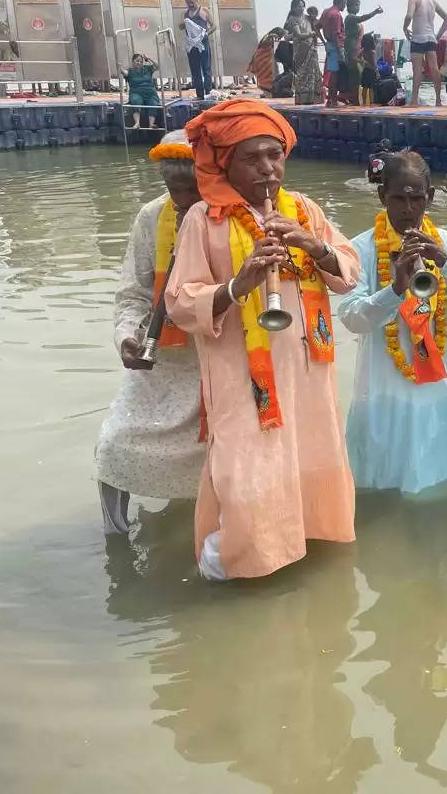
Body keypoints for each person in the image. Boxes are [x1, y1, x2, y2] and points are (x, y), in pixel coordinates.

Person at [165, 98, 361, 580]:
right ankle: (233, 568)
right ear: (227, 161)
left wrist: (312, 245)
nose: (268, 169)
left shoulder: (305, 211)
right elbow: (180, 302)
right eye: (253, 159)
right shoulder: (203, 220)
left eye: (274, 155)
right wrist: (239, 284)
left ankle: (299, 551)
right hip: (242, 376)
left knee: (309, 459)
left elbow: (350, 273)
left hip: (307, 373)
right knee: (245, 475)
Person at [337, 150, 447, 493]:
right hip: (384, 388)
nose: (408, 209)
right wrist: (394, 289)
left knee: (442, 491)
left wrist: (445, 261)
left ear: (430, 198)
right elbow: (351, 318)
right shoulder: (361, 248)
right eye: (398, 199)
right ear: (381, 196)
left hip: (439, 388)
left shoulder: (446, 242)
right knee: (381, 491)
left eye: (417, 199)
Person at [94, 131, 206, 534]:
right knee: (114, 445)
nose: (181, 200)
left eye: (191, 189)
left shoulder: (228, 217)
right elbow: (133, 292)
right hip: (161, 356)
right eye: (172, 189)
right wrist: (127, 337)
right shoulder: (151, 216)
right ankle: (116, 537)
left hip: (215, 356)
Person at [403, 0, 447, 106]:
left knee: (417, 69)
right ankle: (438, 100)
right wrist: (438, 35)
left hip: (418, 38)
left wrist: (405, 28)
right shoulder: (432, 1)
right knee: (434, 68)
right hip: (430, 38)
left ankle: (414, 100)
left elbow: (409, 16)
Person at [342, 0, 383, 106]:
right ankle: (352, 99)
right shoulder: (350, 17)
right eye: (356, 5)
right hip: (351, 46)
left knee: (356, 75)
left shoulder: (351, 18)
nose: (358, 7)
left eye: (359, 5)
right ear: (350, 6)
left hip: (354, 45)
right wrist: (375, 12)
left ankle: (355, 99)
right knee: (354, 73)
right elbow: (362, 18)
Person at [285, 0, 322, 105]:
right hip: (301, 50)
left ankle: (314, 98)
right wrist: (311, 34)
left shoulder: (307, 18)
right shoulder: (293, 20)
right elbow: (299, 35)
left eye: (302, 6)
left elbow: (318, 25)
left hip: (311, 48)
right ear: (293, 8)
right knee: (302, 74)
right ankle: (303, 98)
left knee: (314, 72)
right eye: (298, 6)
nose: (301, 8)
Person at [180, 0, 213, 100]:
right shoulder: (186, 13)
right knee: (195, 70)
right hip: (192, 44)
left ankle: (208, 92)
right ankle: (200, 94)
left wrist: (206, 34)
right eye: (188, 3)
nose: (190, 5)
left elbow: (214, 25)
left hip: (203, 42)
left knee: (206, 67)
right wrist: (183, 25)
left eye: (192, 2)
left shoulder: (204, 10)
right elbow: (181, 27)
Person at [320, 0, 347, 107]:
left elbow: (316, 26)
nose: (345, 6)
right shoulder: (336, 15)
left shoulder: (326, 11)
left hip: (330, 44)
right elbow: (336, 34)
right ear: (340, 2)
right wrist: (339, 50)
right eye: (344, 4)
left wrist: (324, 41)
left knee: (332, 73)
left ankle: (331, 100)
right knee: (334, 74)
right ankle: (333, 100)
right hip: (336, 45)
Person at [123, 53, 161, 129]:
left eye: (140, 61)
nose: (139, 63)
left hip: (150, 92)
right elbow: (124, 72)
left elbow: (157, 66)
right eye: (137, 61)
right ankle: (137, 123)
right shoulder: (130, 71)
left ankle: (151, 124)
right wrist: (120, 67)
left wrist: (149, 58)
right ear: (133, 62)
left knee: (153, 102)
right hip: (136, 92)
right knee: (136, 101)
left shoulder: (147, 68)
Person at [359, 32, 379, 106]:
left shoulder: (363, 50)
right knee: (371, 88)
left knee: (364, 87)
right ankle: (372, 103)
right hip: (371, 70)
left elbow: (357, 56)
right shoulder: (372, 52)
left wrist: (363, 61)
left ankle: (363, 103)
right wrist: (377, 71)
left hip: (365, 70)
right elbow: (374, 63)